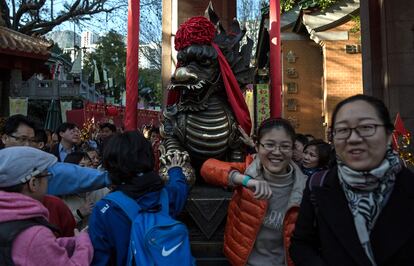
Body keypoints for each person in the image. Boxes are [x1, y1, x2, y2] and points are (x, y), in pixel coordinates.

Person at [290, 94, 414, 266]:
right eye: (342, 130)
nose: (354, 139)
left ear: (387, 135)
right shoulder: (318, 186)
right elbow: (301, 245)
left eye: (366, 127)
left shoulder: (408, 187)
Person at [201, 118, 307, 266]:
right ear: (257, 146)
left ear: (292, 149)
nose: (277, 152)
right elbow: (208, 168)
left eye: (285, 146)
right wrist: (245, 180)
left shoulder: (305, 186)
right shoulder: (248, 170)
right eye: (269, 145)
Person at [88, 131, 191, 265]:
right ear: (148, 157)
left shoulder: (105, 209)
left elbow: (100, 260)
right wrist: (175, 170)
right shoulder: (166, 196)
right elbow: (179, 189)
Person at [0, 146, 93, 265]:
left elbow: (32, 249)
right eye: (46, 176)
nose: (48, 181)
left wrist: (73, 241)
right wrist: (84, 244)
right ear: (33, 183)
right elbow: (34, 243)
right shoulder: (33, 235)